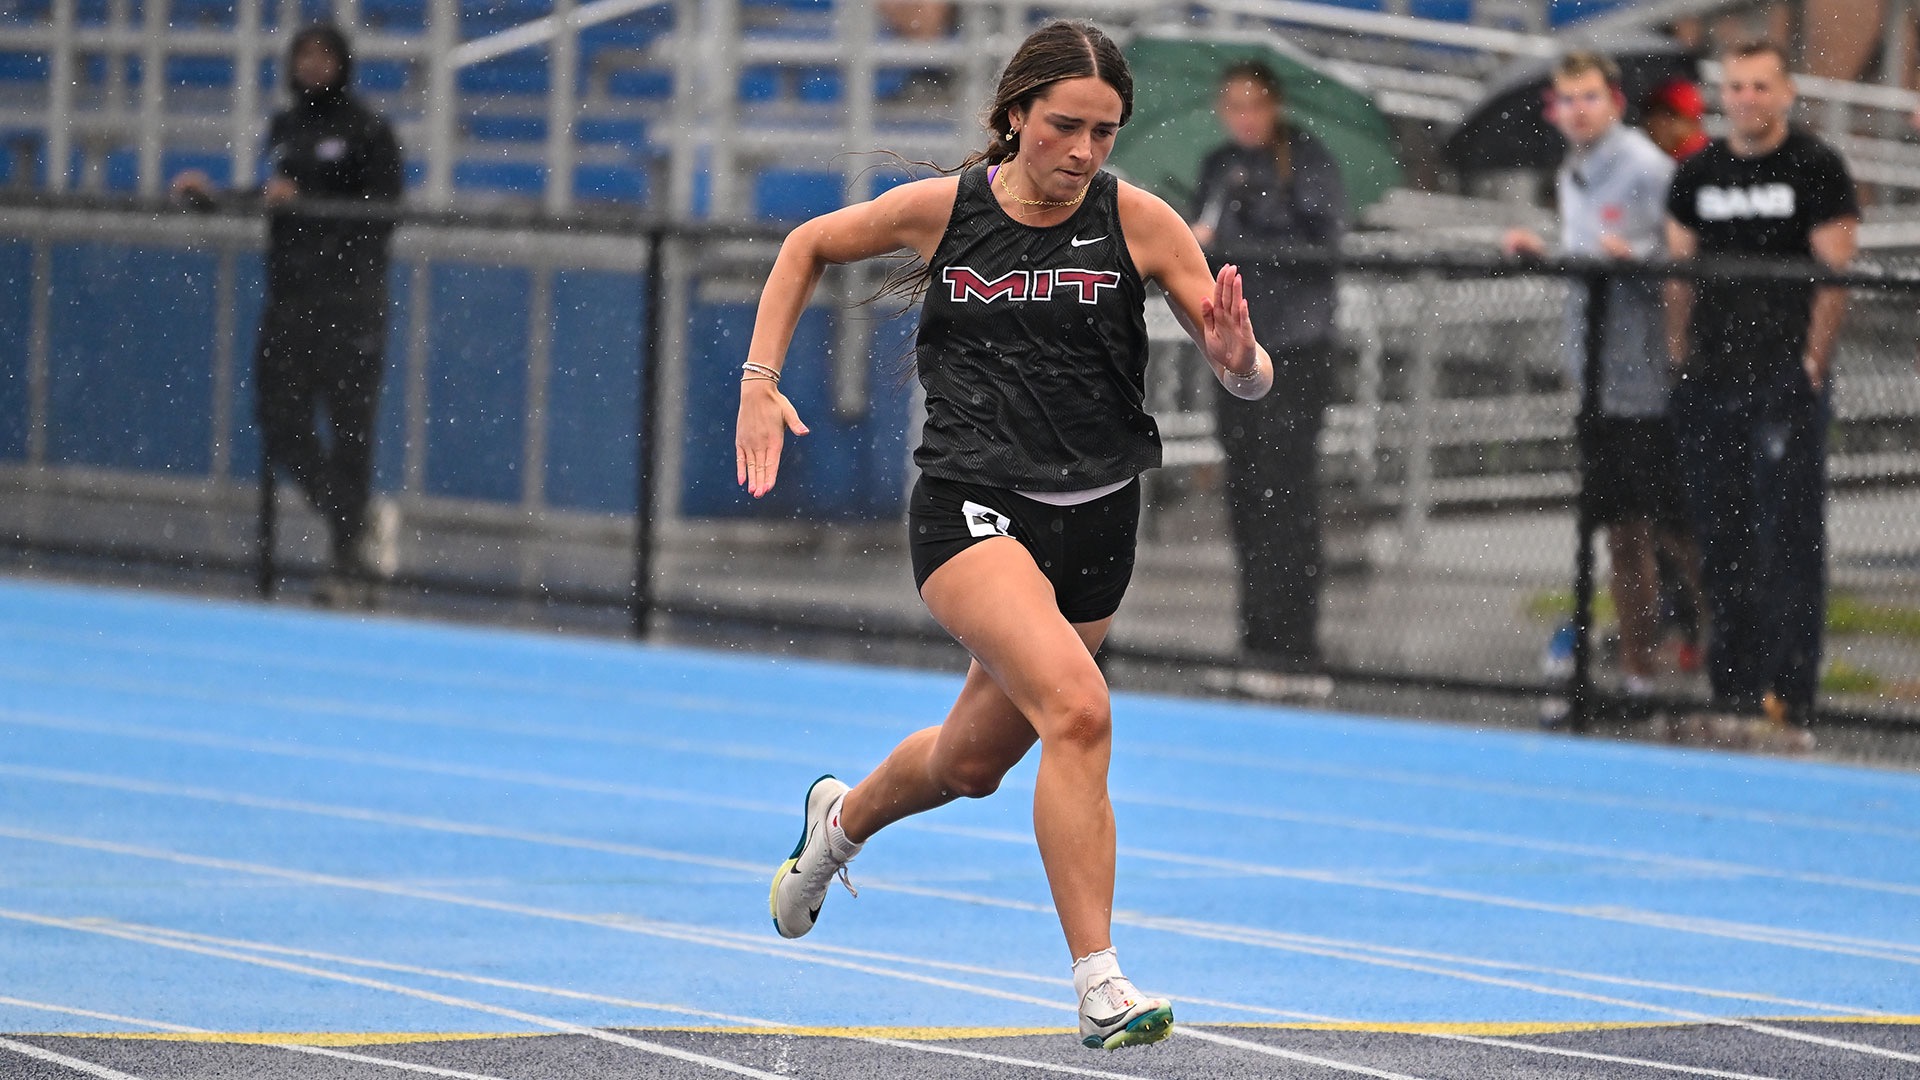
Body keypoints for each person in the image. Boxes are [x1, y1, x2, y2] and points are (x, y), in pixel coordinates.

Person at [735, 20, 1273, 1051]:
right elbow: (805, 245)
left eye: (1104, 132)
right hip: (971, 506)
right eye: (1063, 126)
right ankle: (1100, 983)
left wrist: (1240, 362)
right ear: (1016, 114)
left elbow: (1242, 368)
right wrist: (759, 383)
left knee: (973, 763)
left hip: (1100, 518)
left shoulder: (1142, 222)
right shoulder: (948, 211)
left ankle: (836, 826)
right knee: (1078, 708)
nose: (1081, 151)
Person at [1664, 39, 1859, 729]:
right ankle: (1735, 692)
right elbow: (1679, 274)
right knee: (1724, 543)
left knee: (1790, 541)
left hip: (1783, 380)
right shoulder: (1698, 174)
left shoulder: (1815, 167)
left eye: (1759, 86)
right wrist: (1679, 356)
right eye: (1736, 86)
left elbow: (1836, 271)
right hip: (1712, 380)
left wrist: (1813, 360)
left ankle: (1791, 697)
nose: (1747, 98)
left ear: (1785, 92)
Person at [172, 23, 402, 602]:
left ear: (343, 62)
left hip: (350, 307)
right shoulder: (286, 126)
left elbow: (381, 214)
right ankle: (358, 521)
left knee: (351, 435)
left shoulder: (370, 131)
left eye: (323, 55)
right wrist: (218, 198)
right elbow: (275, 194)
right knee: (280, 421)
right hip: (291, 303)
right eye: (304, 54)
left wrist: (314, 208)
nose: (313, 65)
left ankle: (347, 565)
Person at [1504, 51, 1686, 697]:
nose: (1577, 111)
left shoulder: (1645, 168)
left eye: (1588, 98)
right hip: (1598, 381)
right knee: (1622, 535)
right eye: (1566, 100)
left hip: (1649, 384)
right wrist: (1545, 254)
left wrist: (1637, 258)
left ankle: (1735, 676)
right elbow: (1586, 257)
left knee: (1682, 533)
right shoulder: (1573, 170)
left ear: (1612, 100)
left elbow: (1684, 255)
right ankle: (1640, 674)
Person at [1188, 59, 1345, 670]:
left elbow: (1322, 244)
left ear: (1274, 105)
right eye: (1232, 106)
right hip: (1236, 355)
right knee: (1247, 492)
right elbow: (1203, 235)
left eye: (1253, 104)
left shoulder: (1307, 161)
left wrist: (1254, 215)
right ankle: (1255, 638)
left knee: (1289, 493)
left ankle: (1295, 643)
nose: (1243, 118)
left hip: (1297, 349)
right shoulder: (1217, 166)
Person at [1642, 76, 1710, 162]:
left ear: (1693, 124)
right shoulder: (1638, 152)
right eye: (1659, 114)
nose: (1663, 124)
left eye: (1674, 116)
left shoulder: (1702, 161)